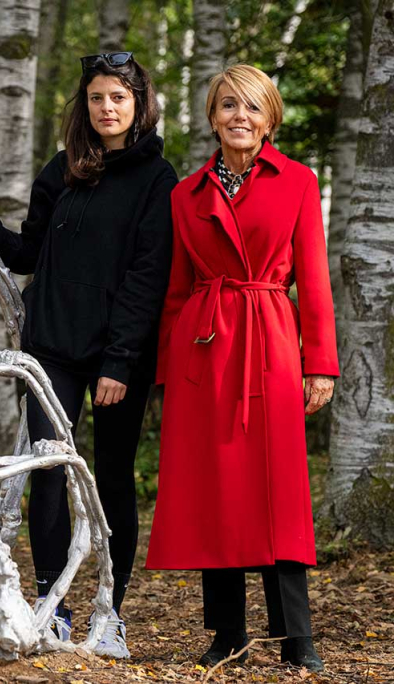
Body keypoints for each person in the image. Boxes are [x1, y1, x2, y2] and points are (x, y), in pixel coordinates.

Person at [0, 53, 177, 658]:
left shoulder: (158, 181)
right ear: (84, 105)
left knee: (112, 479)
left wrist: (119, 362)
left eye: (118, 97)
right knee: (48, 471)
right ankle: (52, 605)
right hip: (53, 349)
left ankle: (109, 614)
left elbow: (149, 277)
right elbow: (29, 250)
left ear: (139, 104)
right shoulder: (63, 170)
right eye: (96, 98)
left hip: (119, 358)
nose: (107, 108)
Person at [146, 65, 338, 672]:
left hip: (273, 340)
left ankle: (295, 637)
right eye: (228, 106)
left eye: (252, 108)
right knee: (218, 490)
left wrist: (321, 365)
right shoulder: (186, 194)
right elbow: (175, 291)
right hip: (206, 348)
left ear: (270, 118)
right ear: (212, 115)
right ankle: (227, 633)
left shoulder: (299, 183)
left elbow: (313, 279)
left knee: (281, 489)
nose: (240, 118)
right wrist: (167, 371)